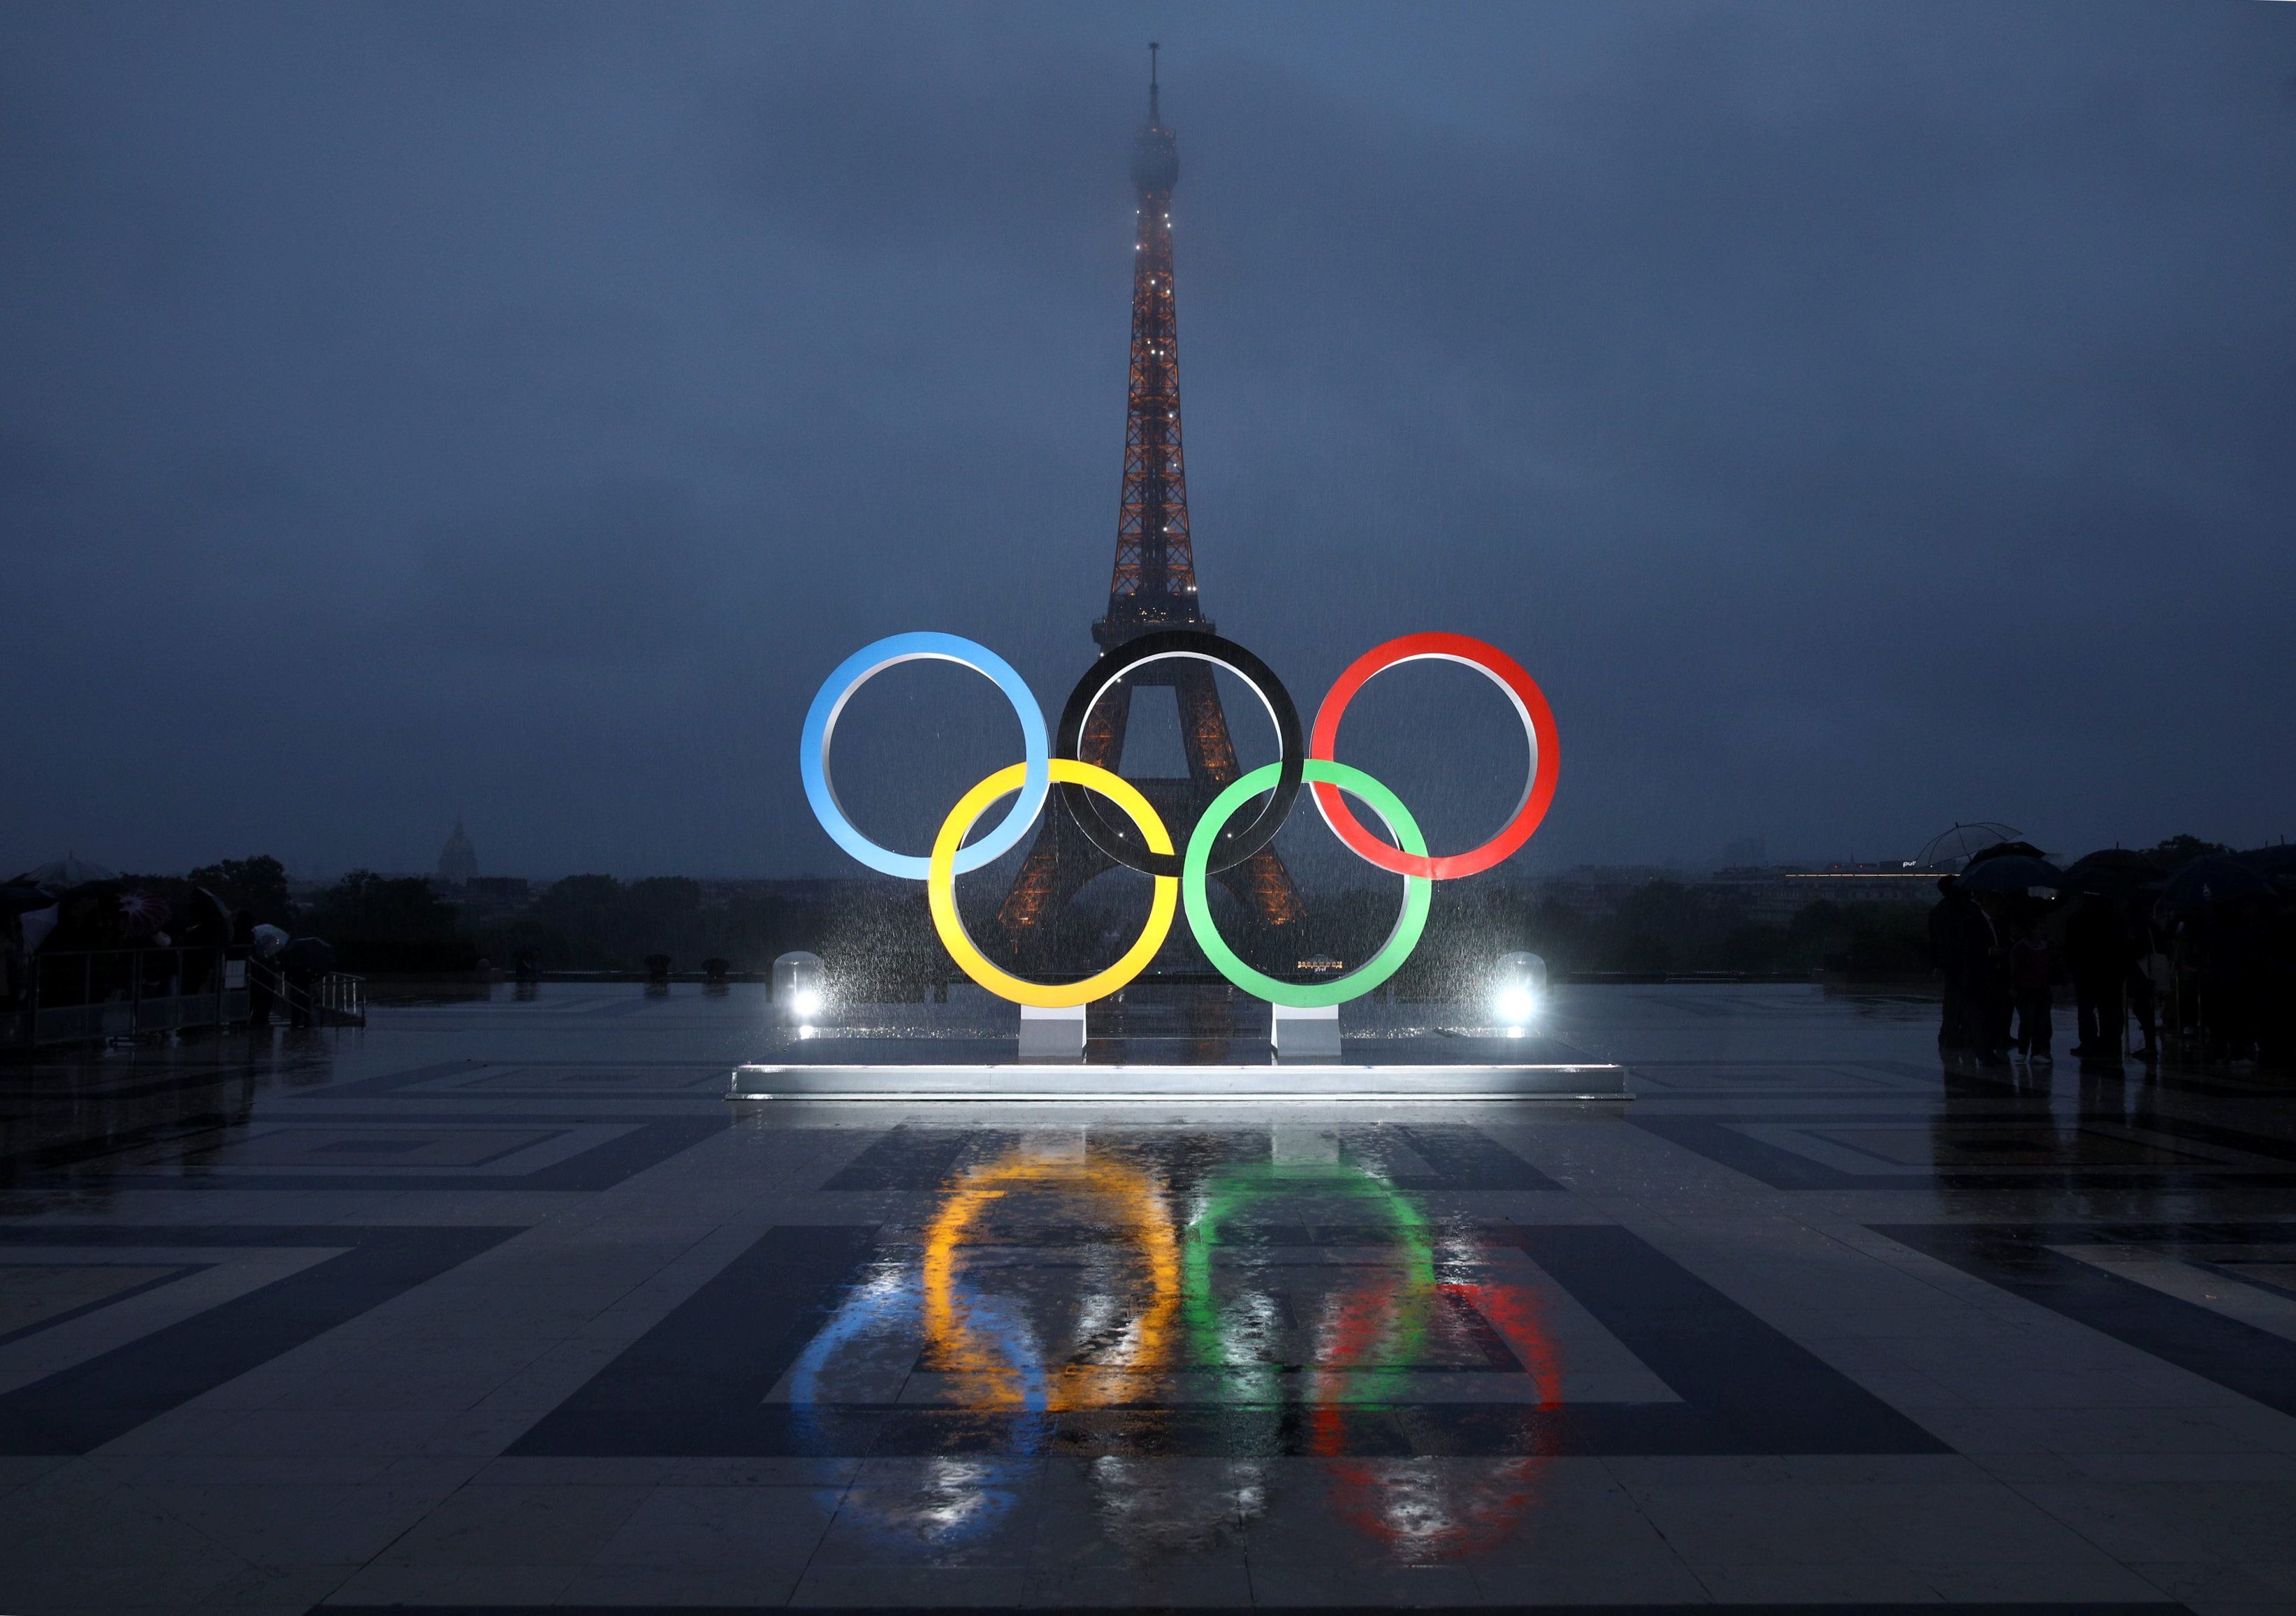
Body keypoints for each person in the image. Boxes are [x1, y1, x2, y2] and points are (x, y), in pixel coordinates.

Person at [2064, 892, 2124, 1061]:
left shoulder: (2077, 919)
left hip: (2086, 971)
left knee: (2086, 1010)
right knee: (2110, 1009)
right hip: (2110, 971)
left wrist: (2071, 968)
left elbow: (2070, 947)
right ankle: (2110, 1042)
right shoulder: (2116, 919)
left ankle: (2089, 1042)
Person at [1929, 877, 1971, 1051]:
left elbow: (1934, 939)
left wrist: (1937, 963)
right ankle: (1962, 1033)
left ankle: (1949, 1033)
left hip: (1949, 960)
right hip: (1965, 959)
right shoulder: (1966, 909)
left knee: (1952, 1000)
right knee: (1965, 999)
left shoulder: (1939, 911)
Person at [2011, 914, 2054, 1063]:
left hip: (2041, 988)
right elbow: (2015, 970)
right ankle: (2025, 1050)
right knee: (2028, 1020)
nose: (2042, 931)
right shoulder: (2021, 948)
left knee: (2040, 1021)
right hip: (2025, 989)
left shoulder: (2046, 946)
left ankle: (2036, 1051)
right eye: (2039, 928)